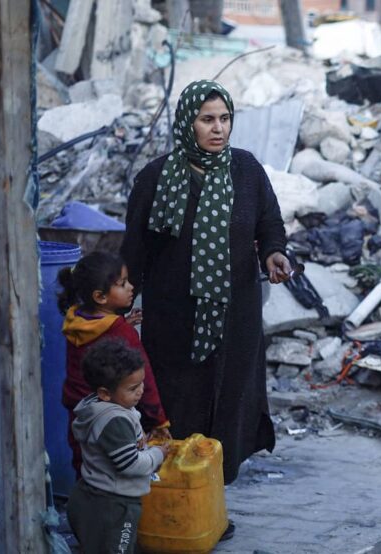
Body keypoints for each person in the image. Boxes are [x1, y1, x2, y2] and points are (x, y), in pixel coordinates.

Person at [121, 80, 293, 489]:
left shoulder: (246, 170)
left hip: (237, 314)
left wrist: (274, 254)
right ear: (187, 123)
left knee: (229, 398)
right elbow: (135, 248)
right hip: (174, 316)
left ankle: (214, 496)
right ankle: (175, 496)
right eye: (207, 119)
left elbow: (270, 224)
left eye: (225, 118)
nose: (218, 128)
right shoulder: (155, 178)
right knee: (176, 402)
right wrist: (121, 307)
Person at [58, 251, 170, 477]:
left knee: (85, 463)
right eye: (122, 284)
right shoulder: (121, 332)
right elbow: (143, 378)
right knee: (116, 466)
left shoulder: (76, 319)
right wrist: (159, 421)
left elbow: (97, 343)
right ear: (100, 297)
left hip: (78, 411)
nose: (131, 287)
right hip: (109, 414)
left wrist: (121, 324)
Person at [67, 339, 169, 554]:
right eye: (133, 388)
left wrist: (141, 439)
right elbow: (130, 464)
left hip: (94, 496)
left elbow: (121, 443)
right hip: (113, 505)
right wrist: (157, 455)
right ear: (105, 393)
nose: (141, 391)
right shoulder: (114, 420)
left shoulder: (103, 406)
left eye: (142, 383)